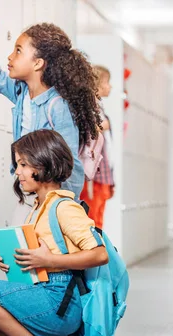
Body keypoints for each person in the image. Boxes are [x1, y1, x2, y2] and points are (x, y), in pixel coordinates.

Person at [0, 129, 108, 336]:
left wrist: (48, 259)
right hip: (41, 289)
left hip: (58, 300)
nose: (17, 171)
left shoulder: (64, 207)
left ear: (44, 162)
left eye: (22, 164)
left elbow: (99, 254)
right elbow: (40, 258)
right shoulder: (38, 207)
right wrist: (15, 260)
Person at [0, 1, 101, 215]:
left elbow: (71, 165)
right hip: (30, 192)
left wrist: (65, 208)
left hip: (51, 200)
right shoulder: (22, 93)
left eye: (18, 51)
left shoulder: (58, 106)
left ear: (38, 63)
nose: (10, 57)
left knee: (27, 246)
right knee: (16, 246)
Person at [80, 65, 114, 228]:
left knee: (98, 217)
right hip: (94, 174)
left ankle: (99, 251)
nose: (110, 87)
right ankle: (94, 251)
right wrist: (104, 125)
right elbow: (87, 130)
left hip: (102, 173)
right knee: (92, 218)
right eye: (107, 82)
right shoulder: (88, 107)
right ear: (97, 85)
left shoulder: (98, 107)